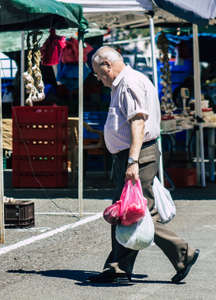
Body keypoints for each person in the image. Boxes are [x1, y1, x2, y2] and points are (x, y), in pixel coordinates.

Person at [87, 46, 199, 285]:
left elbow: (138, 123)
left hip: (137, 154)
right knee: (128, 210)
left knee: (135, 212)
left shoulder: (128, 83)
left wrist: (132, 160)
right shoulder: (127, 82)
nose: (99, 79)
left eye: (99, 73)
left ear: (107, 65)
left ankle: (182, 253)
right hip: (134, 154)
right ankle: (117, 267)